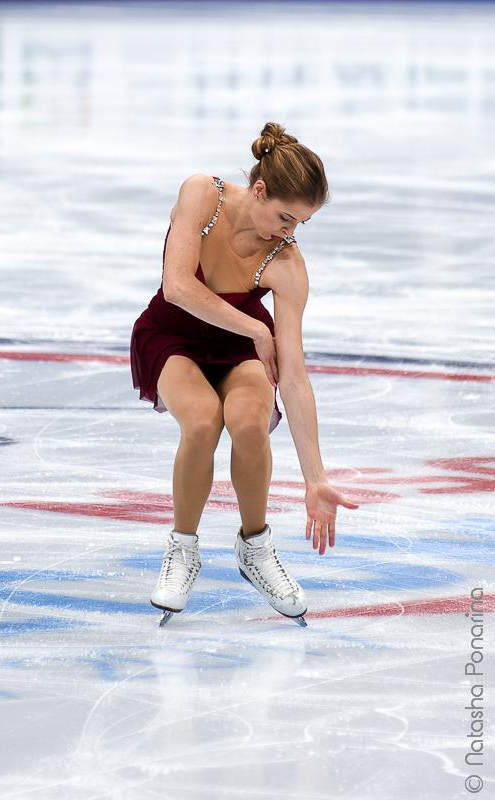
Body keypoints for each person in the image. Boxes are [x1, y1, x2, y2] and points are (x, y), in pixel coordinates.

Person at [130, 122, 359, 627]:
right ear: (259, 190)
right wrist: (257, 332)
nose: (289, 232)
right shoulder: (201, 195)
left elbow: (294, 377)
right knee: (203, 421)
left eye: (301, 223)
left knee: (251, 423)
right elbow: (177, 288)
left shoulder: (287, 264)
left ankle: (254, 547)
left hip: (238, 345)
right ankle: (183, 548)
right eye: (284, 216)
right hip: (172, 335)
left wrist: (315, 477)